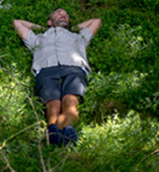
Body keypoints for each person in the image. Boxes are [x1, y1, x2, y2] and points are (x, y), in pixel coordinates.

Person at [13, 9, 102, 146]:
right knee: (53, 104)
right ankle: (53, 131)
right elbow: (17, 23)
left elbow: (96, 21)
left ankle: (66, 131)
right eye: (59, 13)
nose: (63, 15)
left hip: (74, 67)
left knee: (71, 101)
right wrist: (46, 28)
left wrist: (68, 27)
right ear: (49, 21)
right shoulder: (37, 39)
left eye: (66, 15)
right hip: (46, 69)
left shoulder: (78, 37)